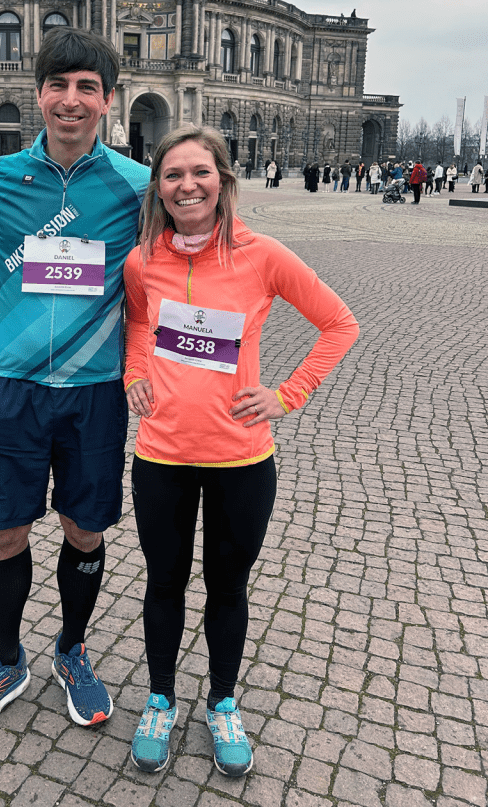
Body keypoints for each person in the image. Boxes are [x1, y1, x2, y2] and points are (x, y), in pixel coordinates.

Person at [0, 27, 150, 738]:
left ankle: (72, 650)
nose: (71, 100)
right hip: (13, 390)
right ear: (39, 95)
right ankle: (4, 660)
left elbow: (189, 267)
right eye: (58, 85)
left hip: (96, 394)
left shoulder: (140, 187)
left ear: (109, 101)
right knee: (4, 533)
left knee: (85, 531)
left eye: (88, 87)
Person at [123, 126, 359, 778]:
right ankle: (161, 699)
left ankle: (222, 702)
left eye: (199, 172)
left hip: (241, 460)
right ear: (159, 189)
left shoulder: (263, 255)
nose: (186, 185)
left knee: (228, 587)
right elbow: (139, 320)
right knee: (164, 584)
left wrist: (289, 394)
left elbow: (340, 323)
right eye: (172, 175)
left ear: (223, 180)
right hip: (161, 456)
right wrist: (134, 373)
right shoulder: (143, 258)